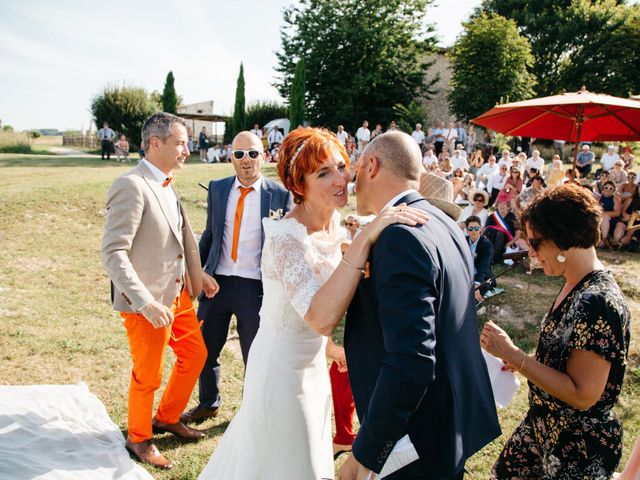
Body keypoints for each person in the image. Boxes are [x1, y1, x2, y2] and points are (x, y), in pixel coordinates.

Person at [197, 127, 429, 479]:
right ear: (298, 184)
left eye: (340, 166)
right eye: (323, 173)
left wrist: (336, 351)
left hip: (314, 367)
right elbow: (319, 317)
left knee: (306, 456)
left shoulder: (336, 226)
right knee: (288, 461)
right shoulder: (284, 237)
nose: (340, 180)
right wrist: (365, 238)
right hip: (280, 371)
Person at [339, 131, 500, 480]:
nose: (353, 181)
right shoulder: (444, 221)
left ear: (371, 164)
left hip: (415, 439)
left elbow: (411, 360)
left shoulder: (400, 236)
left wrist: (365, 454)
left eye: (356, 169)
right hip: (448, 424)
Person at [481, 184, 630, 479]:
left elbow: (583, 394)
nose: (531, 252)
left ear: (563, 238)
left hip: (575, 449)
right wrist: (531, 359)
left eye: (535, 242)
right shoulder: (575, 282)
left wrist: (516, 355)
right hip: (545, 429)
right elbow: (570, 351)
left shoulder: (598, 301)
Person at [101, 112, 208, 469]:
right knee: (148, 375)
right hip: (145, 302)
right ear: (154, 143)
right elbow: (114, 253)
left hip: (177, 295)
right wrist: (145, 302)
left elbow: (180, 240)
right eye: (180, 142)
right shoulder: (131, 185)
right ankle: (139, 438)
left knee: (195, 355)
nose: (187, 150)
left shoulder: (166, 181)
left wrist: (197, 277)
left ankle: (167, 416)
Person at [181, 132, 292, 425]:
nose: (246, 161)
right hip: (216, 282)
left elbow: (285, 245)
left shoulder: (280, 195)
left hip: (254, 287)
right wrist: (198, 272)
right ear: (230, 157)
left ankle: (251, 411)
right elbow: (210, 234)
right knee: (204, 347)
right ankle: (208, 403)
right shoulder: (218, 189)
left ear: (264, 156)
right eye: (239, 154)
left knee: (254, 354)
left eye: (253, 154)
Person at [465, 215, 494, 302]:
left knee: (472, 299)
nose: (474, 231)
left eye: (476, 228)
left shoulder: (487, 244)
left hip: (482, 277)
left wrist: (477, 284)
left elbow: (484, 266)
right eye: (470, 229)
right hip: (466, 276)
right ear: (466, 230)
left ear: (481, 229)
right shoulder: (463, 241)